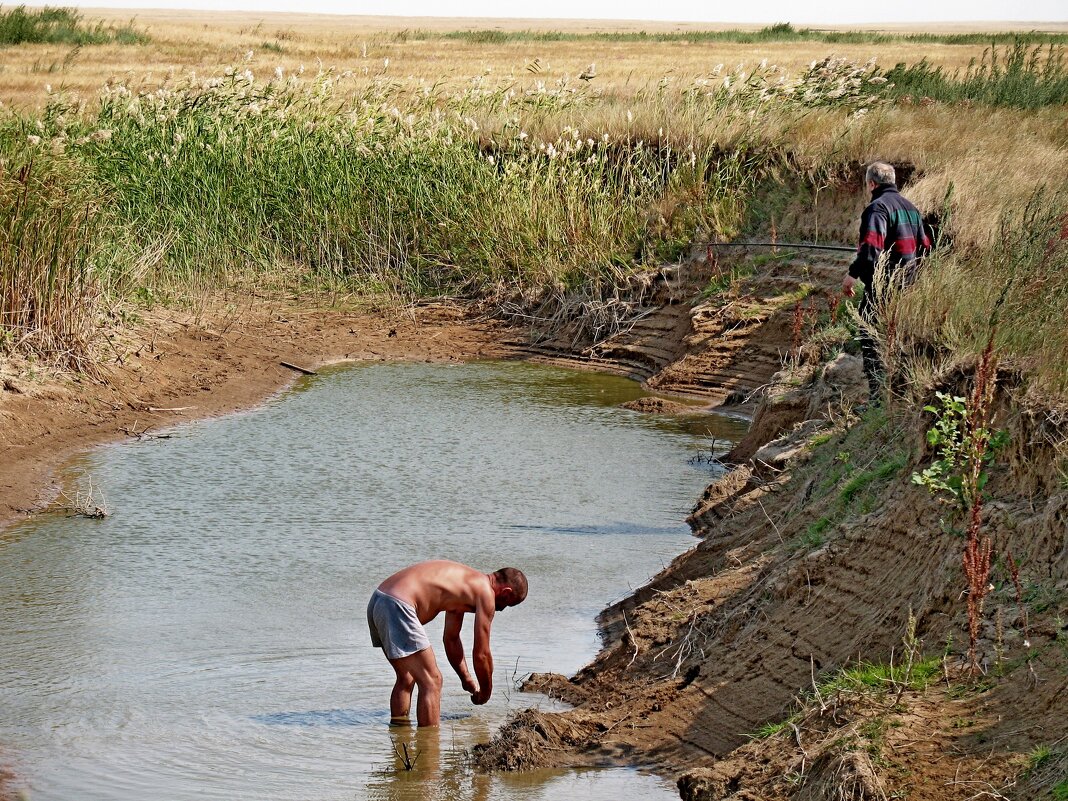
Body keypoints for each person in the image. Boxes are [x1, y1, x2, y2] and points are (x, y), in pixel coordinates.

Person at [366, 560, 528, 727]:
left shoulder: (464, 585)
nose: (501, 609)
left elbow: (451, 639)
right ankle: (429, 749)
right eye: (508, 604)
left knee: (406, 677)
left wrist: (466, 678)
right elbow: (482, 654)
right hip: (398, 605)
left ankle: (400, 740)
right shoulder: (486, 593)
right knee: (432, 681)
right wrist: (486, 692)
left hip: (379, 600)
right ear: (506, 592)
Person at [843, 161, 931, 397]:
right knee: (899, 341)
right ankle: (900, 395)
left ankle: (878, 398)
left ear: (872, 184)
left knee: (870, 338)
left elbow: (871, 248)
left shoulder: (877, 208)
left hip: (883, 289)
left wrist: (852, 274)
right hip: (909, 288)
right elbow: (925, 248)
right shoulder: (911, 208)